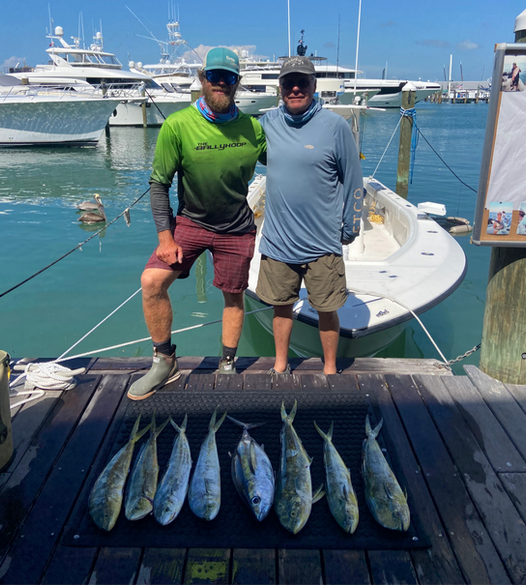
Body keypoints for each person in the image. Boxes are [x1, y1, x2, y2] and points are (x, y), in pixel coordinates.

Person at [127, 47, 266, 401]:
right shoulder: (178, 124)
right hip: (191, 223)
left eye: (229, 77)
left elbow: (289, 161)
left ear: (237, 83)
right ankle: (164, 361)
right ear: (203, 79)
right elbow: (159, 184)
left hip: (237, 226)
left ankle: (227, 363)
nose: (221, 82)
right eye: (214, 76)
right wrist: (165, 237)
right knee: (152, 281)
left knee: (233, 296)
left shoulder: (253, 128)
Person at [255, 56, 363, 375]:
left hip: (323, 242)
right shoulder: (266, 123)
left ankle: (330, 369)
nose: (296, 88)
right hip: (278, 241)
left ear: (315, 86)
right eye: (289, 82)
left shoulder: (335, 126)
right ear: (280, 87)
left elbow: (354, 179)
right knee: (281, 307)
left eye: (303, 82)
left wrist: (350, 227)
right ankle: (279, 365)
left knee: (327, 310)